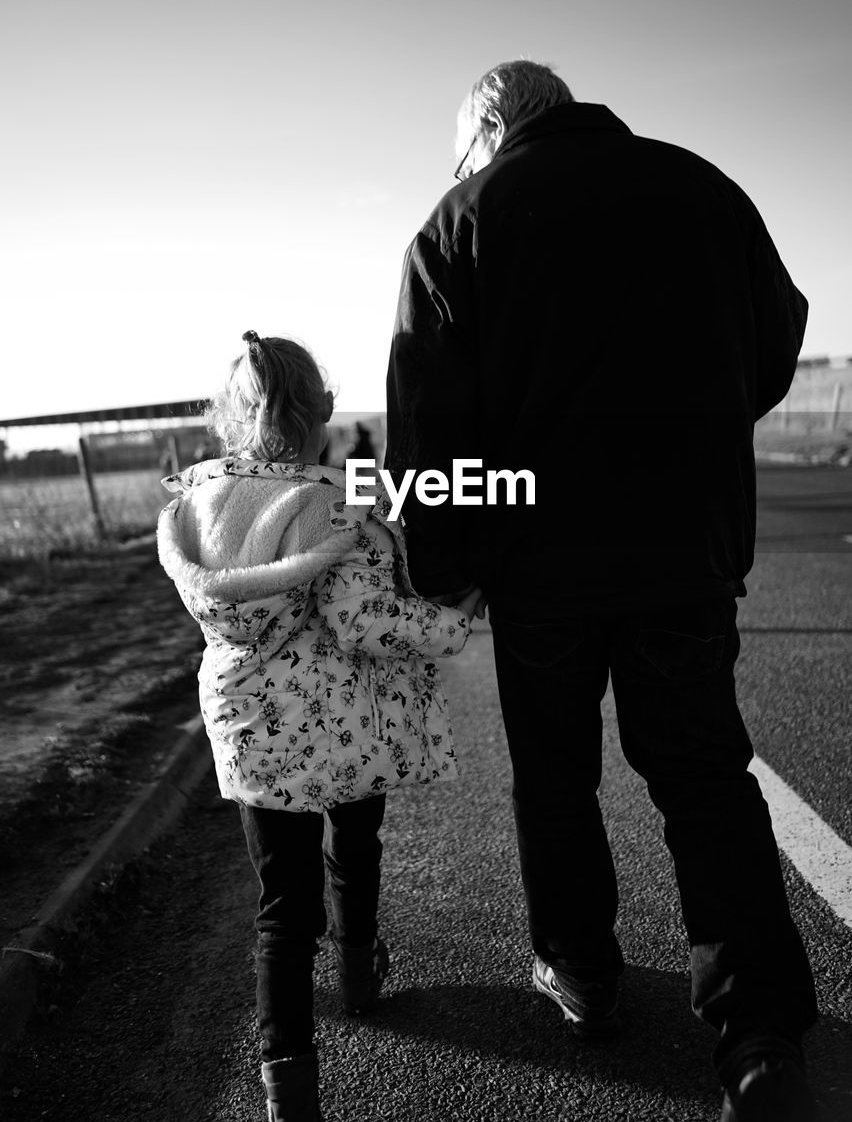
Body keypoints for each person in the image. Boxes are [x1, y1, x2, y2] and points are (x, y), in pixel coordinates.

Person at [385, 61, 818, 1121]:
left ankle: (581, 969)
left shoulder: (458, 224)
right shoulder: (701, 188)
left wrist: (443, 564)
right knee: (704, 771)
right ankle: (757, 1031)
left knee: (555, 775)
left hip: (541, 561)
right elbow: (771, 345)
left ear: (489, 128)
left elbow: (427, 426)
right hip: (684, 544)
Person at [158, 330, 481, 1122]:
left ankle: (286, 1085)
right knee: (355, 846)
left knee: (280, 904)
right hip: (342, 726)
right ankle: (360, 971)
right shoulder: (334, 503)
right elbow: (361, 620)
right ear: (326, 410)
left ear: (227, 416)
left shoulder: (194, 503)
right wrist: (455, 621)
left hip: (247, 725)